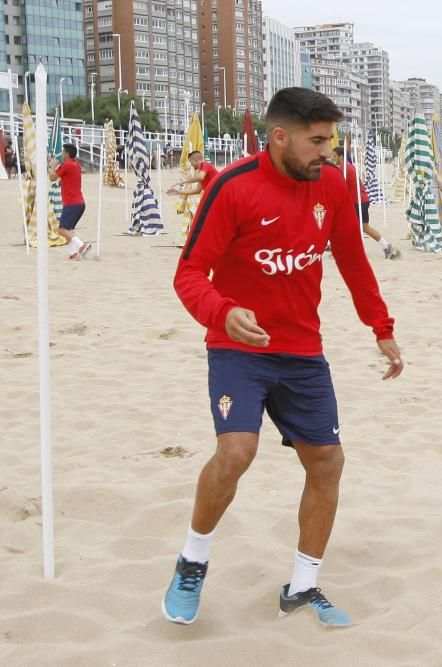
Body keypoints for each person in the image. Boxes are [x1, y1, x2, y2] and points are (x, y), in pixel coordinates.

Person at [164, 87, 404, 628]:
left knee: (328, 463)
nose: (328, 152)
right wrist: (222, 313)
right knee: (237, 453)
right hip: (237, 348)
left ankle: (302, 586)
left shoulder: (336, 187)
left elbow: (352, 260)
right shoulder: (232, 187)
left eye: (332, 140)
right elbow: (188, 274)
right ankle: (192, 560)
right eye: (317, 141)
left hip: (302, 351)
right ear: (279, 137)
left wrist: (380, 327)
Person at [330, 146, 399, 259]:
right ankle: (386, 246)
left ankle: (342, 249)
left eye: (335, 156)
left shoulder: (344, 169)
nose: (333, 158)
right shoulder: (349, 167)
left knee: (346, 226)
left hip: (358, 201)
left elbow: (338, 188)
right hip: (362, 199)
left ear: (341, 157)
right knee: (364, 227)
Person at [48, 144, 92, 260]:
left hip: (72, 203)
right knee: (68, 230)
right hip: (80, 203)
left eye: (63, 151)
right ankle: (73, 253)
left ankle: (82, 245)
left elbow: (52, 177)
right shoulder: (76, 165)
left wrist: (52, 166)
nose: (62, 153)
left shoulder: (67, 165)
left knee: (61, 229)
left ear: (67, 154)